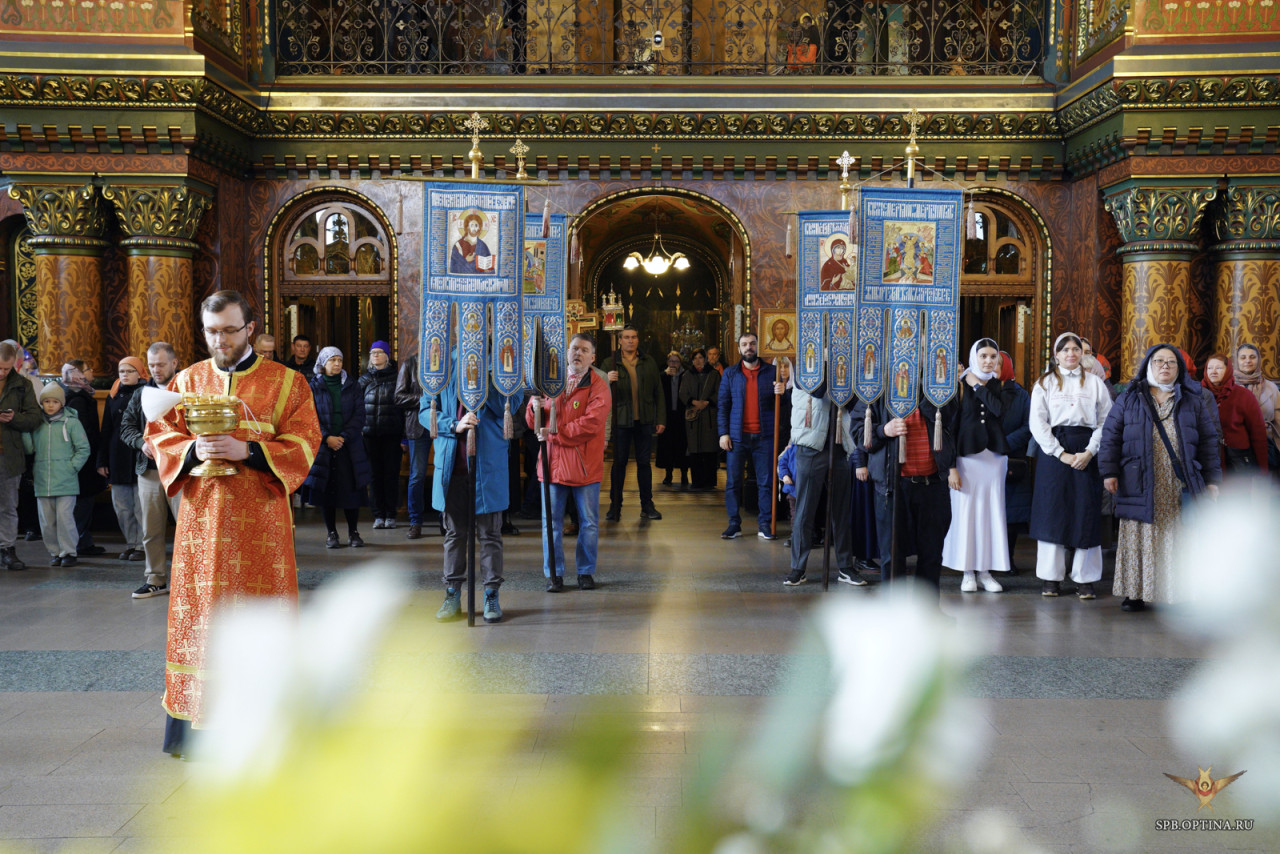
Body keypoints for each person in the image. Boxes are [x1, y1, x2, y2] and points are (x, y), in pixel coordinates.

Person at [145, 290, 322, 755]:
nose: (220, 340)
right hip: (201, 524)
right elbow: (159, 433)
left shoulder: (287, 383)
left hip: (259, 522)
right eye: (211, 332)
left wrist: (251, 451)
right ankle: (196, 730)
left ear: (249, 329)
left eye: (229, 330)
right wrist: (191, 450)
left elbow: (306, 439)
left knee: (259, 616)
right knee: (202, 616)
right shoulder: (187, 380)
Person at [1100, 345, 1222, 611]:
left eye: (1171, 362)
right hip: (1138, 479)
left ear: (1179, 369)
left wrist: (1213, 480)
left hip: (1180, 481)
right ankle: (1135, 593)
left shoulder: (1192, 399)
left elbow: (1209, 442)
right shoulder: (1130, 397)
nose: (1165, 366)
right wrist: (1109, 472)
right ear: (1148, 365)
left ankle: (1180, 594)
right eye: (1159, 361)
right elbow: (1110, 436)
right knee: (1140, 535)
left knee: (1178, 537)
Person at [421, 355, 513, 624]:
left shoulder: (502, 362)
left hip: (487, 467)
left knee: (490, 534)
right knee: (454, 534)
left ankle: (491, 594)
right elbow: (425, 410)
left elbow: (510, 405)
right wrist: (454, 424)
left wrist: (483, 381)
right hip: (453, 466)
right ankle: (452, 594)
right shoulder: (441, 362)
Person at [1028, 333, 1113, 600]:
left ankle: (1085, 578)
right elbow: (1037, 422)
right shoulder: (1045, 383)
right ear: (1056, 355)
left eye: (1076, 349)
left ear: (1082, 354)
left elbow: (1107, 421)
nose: (1071, 354)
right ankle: (1051, 577)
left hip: (1087, 449)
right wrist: (1059, 453)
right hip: (1054, 450)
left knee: (1085, 512)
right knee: (1052, 512)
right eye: (1065, 350)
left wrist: (1090, 451)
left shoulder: (1096, 383)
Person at [527, 334, 611, 592]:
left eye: (584, 350)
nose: (578, 353)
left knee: (588, 523)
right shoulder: (549, 381)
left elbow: (591, 423)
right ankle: (554, 573)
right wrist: (533, 408)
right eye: (574, 348)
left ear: (593, 357)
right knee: (551, 523)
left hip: (584, 466)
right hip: (552, 464)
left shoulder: (598, 386)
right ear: (566, 352)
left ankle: (585, 572)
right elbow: (533, 422)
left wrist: (554, 433)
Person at [862, 393, 961, 594]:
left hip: (932, 484)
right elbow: (858, 433)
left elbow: (952, 420)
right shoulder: (877, 388)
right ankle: (893, 609)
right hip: (893, 486)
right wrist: (884, 430)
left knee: (931, 555)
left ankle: (927, 609)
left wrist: (923, 395)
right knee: (892, 556)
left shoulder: (937, 385)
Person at [941, 338, 1012, 593]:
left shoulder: (1000, 386)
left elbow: (998, 410)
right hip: (966, 459)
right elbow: (949, 429)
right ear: (974, 357)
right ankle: (967, 571)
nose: (988, 361)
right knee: (967, 515)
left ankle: (986, 571)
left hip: (993, 460)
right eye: (983, 356)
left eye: (993, 356)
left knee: (991, 515)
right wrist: (950, 467)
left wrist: (977, 384)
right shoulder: (959, 387)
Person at [784, 385, 868, 586]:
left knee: (841, 512)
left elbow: (854, 402)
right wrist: (833, 375)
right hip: (810, 442)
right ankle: (798, 568)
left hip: (840, 443)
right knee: (805, 510)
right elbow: (817, 390)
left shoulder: (844, 369)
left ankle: (845, 567)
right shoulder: (804, 367)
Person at [118, 343, 183, 598]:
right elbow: (126, 427)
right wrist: (140, 443)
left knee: (187, 528)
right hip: (149, 470)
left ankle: (187, 580)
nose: (156, 369)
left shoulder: (187, 389)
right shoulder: (141, 393)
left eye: (161, 364)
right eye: (152, 365)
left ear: (174, 363)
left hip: (182, 469)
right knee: (151, 529)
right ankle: (155, 578)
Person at [717, 332, 784, 540]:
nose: (749, 347)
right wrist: (723, 433)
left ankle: (765, 524)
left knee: (766, 482)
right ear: (739, 349)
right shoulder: (730, 373)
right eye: (744, 344)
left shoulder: (772, 372)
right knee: (733, 482)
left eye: (752, 344)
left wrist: (783, 392)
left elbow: (784, 406)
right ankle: (734, 524)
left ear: (758, 347)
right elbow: (723, 405)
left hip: (765, 436)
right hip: (737, 437)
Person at [303, 347, 371, 548]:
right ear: (323, 363)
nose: (337, 364)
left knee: (351, 490)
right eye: (332, 360)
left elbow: (360, 414)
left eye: (339, 360)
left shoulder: (352, 385)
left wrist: (343, 437)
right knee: (327, 491)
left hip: (349, 446)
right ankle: (331, 533)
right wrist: (327, 438)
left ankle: (353, 532)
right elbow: (309, 417)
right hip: (325, 447)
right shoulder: (313, 387)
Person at [602, 326, 666, 521]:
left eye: (634, 337)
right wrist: (606, 380)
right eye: (627, 337)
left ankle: (647, 505)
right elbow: (597, 392)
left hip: (644, 420)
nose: (631, 340)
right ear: (620, 340)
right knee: (619, 464)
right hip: (621, 421)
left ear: (638, 340)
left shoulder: (648, 362)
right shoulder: (610, 362)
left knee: (644, 464)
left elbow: (658, 391)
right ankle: (615, 506)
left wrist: (660, 418)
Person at [22, 382, 89, 566]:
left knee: (65, 519)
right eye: (46, 401)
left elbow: (83, 448)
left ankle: (69, 552)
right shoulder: (37, 424)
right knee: (47, 521)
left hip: (66, 481)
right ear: (41, 403)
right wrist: (25, 431)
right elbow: (29, 449)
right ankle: (55, 552)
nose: (50, 405)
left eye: (54, 401)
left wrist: (71, 468)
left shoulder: (72, 423)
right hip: (43, 480)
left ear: (62, 403)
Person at [98, 357, 148, 562]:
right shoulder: (113, 394)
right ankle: (131, 543)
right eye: (122, 371)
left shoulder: (147, 392)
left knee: (141, 506)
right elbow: (106, 429)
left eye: (130, 371)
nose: (125, 375)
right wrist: (102, 461)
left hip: (139, 454)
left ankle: (143, 546)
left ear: (140, 373)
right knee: (122, 506)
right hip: (117, 455)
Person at [0, 343, 42, 571]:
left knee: (8, 505)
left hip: (9, 455)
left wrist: (14, 418)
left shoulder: (22, 385)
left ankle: (7, 549)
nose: (2, 373)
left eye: (6, 369)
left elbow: (35, 418)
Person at [58, 360, 106, 557]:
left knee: (82, 501)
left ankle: (82, 541)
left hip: (82, 457)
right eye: (87, 369)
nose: (91, 371)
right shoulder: (77, 398)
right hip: (82, 458)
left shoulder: (79, 394)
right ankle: (79, 543)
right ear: (77, 374)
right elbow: (83, 432)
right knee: (82, 501)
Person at [1201, 353, 1268, 476]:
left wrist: (1263, 469)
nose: (1213, 371)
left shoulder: (1244, 395)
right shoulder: (1197, 394)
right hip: (1207, 459)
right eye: (1210, 368)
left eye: (1219, 368)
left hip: (1238, 461)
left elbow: (1258, 432)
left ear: (1228, 370)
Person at [360, 340, 403, 528]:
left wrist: (404, 437)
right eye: (373, 353)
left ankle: (391, 514)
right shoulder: (364, 380)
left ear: (387, 356)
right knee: (374, 476)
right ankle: (378, 515)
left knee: (391, 476)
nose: (375, 355)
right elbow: (356, 408)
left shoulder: (397, 378)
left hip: (392, 435)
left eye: (379, 352)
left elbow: (403, 409)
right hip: (370, 436)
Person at [998, 352, 1033, 570]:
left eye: (998, 363)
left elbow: (1029, 426)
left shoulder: (1021, 394)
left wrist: (1002, 443)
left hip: (1012, 458)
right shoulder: (979, 391)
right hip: (984, 458)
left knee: (1010, 515)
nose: (992, 365)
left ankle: (1007, 559)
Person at [395, 352, 433, 539]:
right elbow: (399, 397)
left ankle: (446, 520)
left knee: (445, 473)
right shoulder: (410, 363)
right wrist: (425, 400)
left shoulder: (447, 362)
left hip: (442, 424)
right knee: (417, 476)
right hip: (417, 425)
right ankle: (415, 521)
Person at [1234, 343, 1280, 473]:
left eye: (1252, 357)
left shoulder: (1271, 387)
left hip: (1265, 445)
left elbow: (1278, 421)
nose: (1248, 361)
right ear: (1236, 361)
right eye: (1243, 357)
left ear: (1258, 360)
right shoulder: (1228, 386)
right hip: (1237, 448)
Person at [682, 349, 720, 492]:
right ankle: (697, 480)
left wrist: (707, 402)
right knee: (695, 449)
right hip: (693, 417)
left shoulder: (714, 374)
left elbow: (719, 391)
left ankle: (710, 481)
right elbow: (683, 393)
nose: (698, 361)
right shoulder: (687, 375)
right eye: (695, 358)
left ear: (705, 359)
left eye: (700, 357)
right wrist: (694, 402)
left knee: (710, 449)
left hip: (709, 416)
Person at [656, 351, 688, 489]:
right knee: (667, 446)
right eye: (671, 361)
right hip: (667, 416)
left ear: (680, 363)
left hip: (682, 416)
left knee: (683, 445)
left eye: (676, 361)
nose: (673, 364)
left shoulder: (686, 376)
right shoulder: (663, 376)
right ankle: (668, 474)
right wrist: (664, 375)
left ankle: (684, 474)